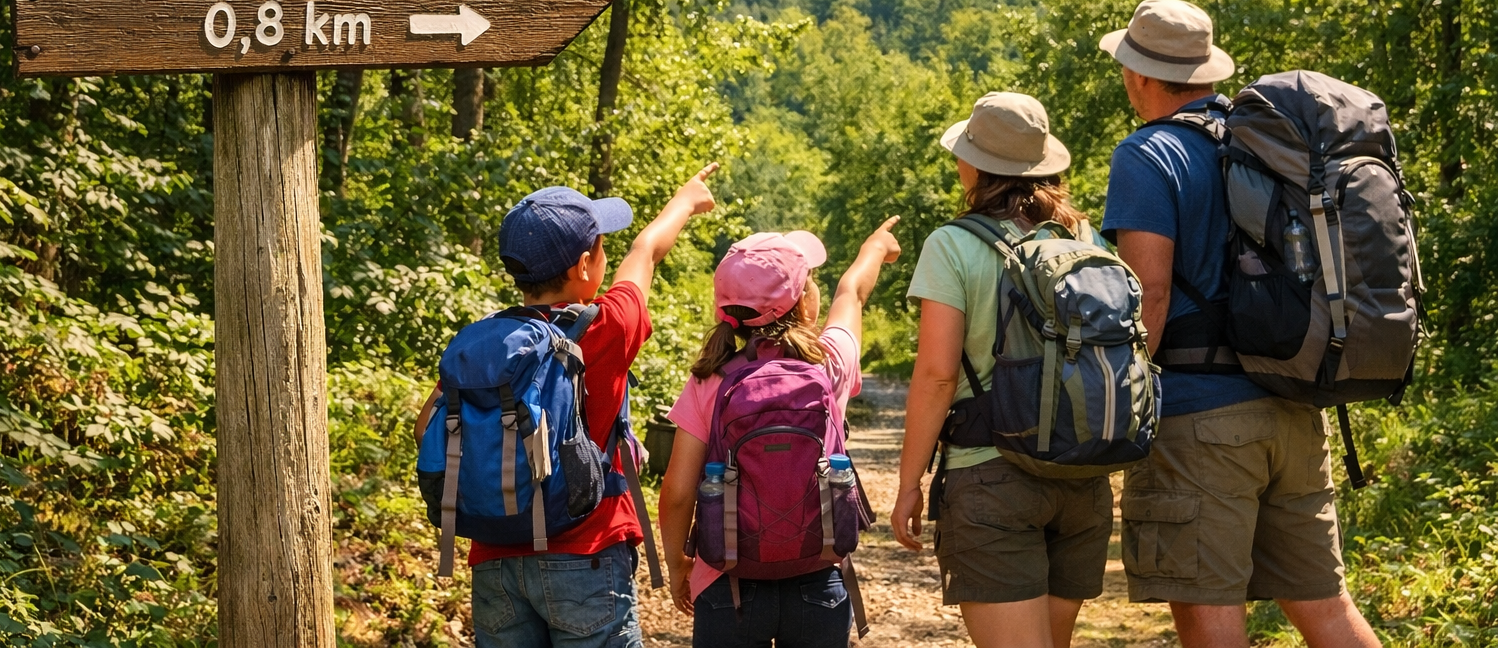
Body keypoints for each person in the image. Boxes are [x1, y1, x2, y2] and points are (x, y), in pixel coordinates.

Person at [1099, 0, 1381, 648]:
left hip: (1200, 420)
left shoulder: (1149, 155)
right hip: (1294, 408)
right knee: (1328, 609)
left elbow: (1151, 292)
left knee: (1209, 617)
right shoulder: (1270, 139)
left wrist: (1120, 412)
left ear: (1139, 75)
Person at [415, 166, 719, 648]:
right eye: (601, 246)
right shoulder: (610, 326)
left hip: (495, 561)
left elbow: (426, 426)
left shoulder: (489, 344)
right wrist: (683, 201)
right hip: (587, 555)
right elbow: (645, 254)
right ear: (584, 265)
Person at [891, 92, 1112, 648]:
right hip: (1082, 476)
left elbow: (937, 376)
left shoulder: (952, 245)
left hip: (991, 475)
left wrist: (909, 481)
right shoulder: (1087, 239)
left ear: (976, 167)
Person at [658, 218, 903, 647]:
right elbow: (853, 293)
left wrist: (678, 563)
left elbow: (677, 492)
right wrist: (876, 246)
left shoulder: (708, 380)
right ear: (805, 302)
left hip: (726, 578)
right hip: (818, 575)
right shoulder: (829, 364)